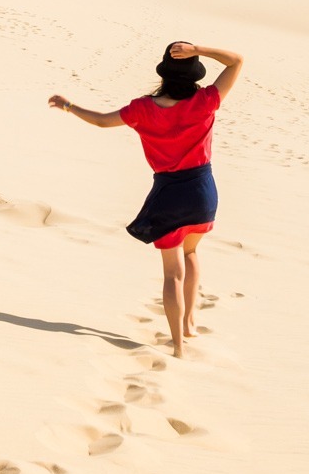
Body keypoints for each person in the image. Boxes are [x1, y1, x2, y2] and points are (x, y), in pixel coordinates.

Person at [48, 41, 243, 355]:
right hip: (202, 191)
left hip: (168, 193)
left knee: (172, 273)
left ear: (163, 74)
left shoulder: (142, 109)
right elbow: (236, 61)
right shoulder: (206, 101)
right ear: (194, 74)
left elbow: (100, 120)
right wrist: (198, 49)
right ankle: (189, 326)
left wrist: (69, 106)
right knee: (191, 255)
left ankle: (178, 343)